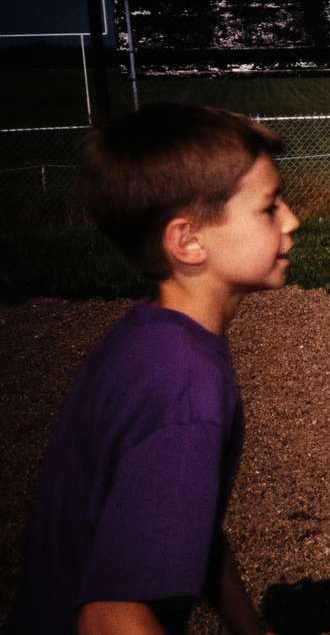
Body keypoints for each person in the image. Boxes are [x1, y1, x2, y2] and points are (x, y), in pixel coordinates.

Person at [4, 103, 299, 634]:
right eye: (269, 207)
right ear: (187, 241)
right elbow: (109, 616)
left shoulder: (150, 342)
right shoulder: (186, 388)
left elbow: (190, 525)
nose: (293, 219)